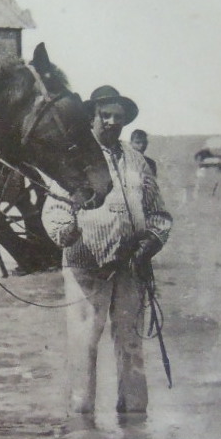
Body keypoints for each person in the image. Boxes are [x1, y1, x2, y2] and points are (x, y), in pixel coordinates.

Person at [42, 85, 172, 416]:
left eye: (119, 117)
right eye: (106, 115)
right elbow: (54, 215)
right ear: (92, 116)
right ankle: (83, 427)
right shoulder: (75, 155)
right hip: (86, 268)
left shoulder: (137, 161)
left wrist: (149, 245)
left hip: (131, 268)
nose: (113, 122)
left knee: (131, 343)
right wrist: (68, 233)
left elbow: (158, 214)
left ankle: (134, 423)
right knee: (84, 345)